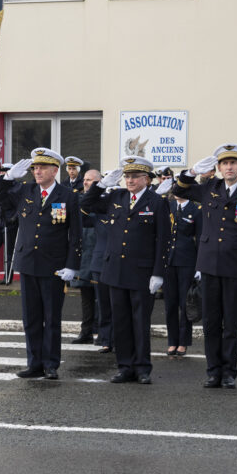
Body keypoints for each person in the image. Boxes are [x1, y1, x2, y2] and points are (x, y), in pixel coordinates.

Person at [172, 144, 237, 389]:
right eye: (224, 163)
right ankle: (213, 370)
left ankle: (229, 372)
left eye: (233, 163)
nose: (229, 167)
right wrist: (191, 172)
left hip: (236, 265)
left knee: (232, 324)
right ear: (219, 167)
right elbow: (177, 189)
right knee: (211, 322)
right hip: (209, 264)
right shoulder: (209, 189)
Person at [0, 148, 81, 379]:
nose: (37, 171)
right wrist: (8, 178)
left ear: (54, 170)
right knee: (31, 317)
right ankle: (34, 363)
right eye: (34, 167)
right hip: (29, 262)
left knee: (51, 318)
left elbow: (75, 234)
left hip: (54, 266)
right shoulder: (25, 190)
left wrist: (72, 265)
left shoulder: (67, 196)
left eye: (42, 167)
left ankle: (51, 364)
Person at [81, 156, 168, 384]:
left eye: (135, 176)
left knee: (140, 322)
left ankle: (142, 368)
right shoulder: (116, 197)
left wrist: (158, 272)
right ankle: (125, 366)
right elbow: (86, 205)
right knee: (120, 322)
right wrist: (101, 185)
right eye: (127, 176)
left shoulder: (156, 202)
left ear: (146, 179)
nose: (130, 180)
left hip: (142, 272)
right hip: (115, 270)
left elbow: (163, 240)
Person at [162, 172, 201, 357]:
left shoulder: (196, 209)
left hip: (187, 261)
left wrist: (199, 266)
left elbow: (200, 239)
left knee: (185, 305)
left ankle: (183, 342)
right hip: (168, 261)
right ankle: (172, 341)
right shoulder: (167, 206)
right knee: (170, 304)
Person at [86, 169, 114, 353]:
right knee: (103, 304)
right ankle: (104, 338)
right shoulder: (97, 210)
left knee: (118, 304)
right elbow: (84, 209)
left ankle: (117, 337)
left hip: (118, 263)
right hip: (99, 263)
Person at [71, 170, 99, 344]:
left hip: (98, 254)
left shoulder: (105, 198)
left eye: (90, 180)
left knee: (102, 298)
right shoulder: (78, 198)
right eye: (85, 180)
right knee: (86, 297)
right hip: (84, 254)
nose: (86, 183)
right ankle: (86, 331)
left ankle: (102, 332)